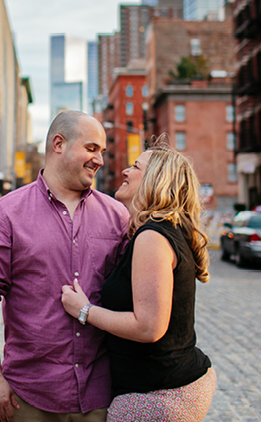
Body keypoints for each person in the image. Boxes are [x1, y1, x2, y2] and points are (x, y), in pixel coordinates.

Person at [0, 111, 130, 422]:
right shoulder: (6, 213)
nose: (99, 160)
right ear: (59, 144)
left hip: (99, 396)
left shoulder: (117, 215)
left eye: (102, 151)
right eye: (91, 148)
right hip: (28, 397)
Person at [61, 145, 216, 422]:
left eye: (135, 166)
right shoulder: (160, 231)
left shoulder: (152, 237)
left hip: (158, 396)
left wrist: (84, 310)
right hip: (168, 386)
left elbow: (148, 327)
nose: (124, 171)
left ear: (155, 180)